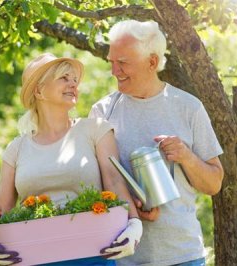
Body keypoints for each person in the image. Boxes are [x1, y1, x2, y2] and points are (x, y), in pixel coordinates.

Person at [0, 53, 143, 265]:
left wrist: (134, 223)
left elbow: (114, 181)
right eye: (64, 78)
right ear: (39, 90)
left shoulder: (95, 130)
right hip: (35, 258)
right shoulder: (16, 149)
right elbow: (2, 207)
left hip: (93, 256)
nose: (73, 85)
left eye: (74, 80)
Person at [89, 20, 224, 266]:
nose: (114, 71)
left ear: (152, 62)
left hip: (183, 255)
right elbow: (94, 182)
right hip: (125, 257)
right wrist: (128, 206)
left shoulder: (188, 107)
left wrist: (186, 156)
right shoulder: (102, 112)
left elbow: (214, 183)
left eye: (123, 63)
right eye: (111, 62)